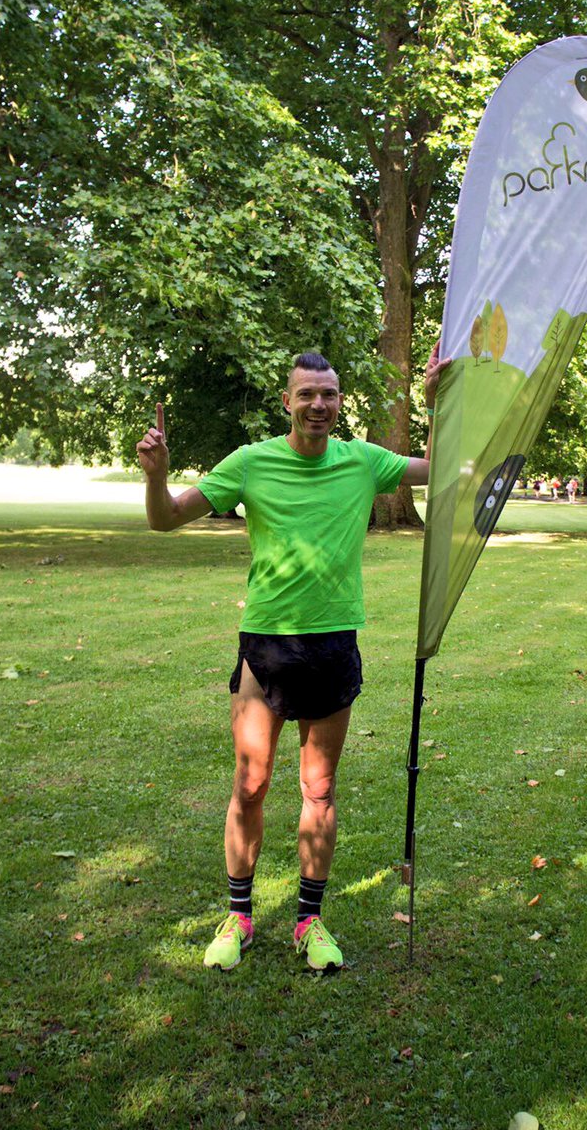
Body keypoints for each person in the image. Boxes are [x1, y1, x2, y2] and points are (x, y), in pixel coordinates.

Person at [136, 344, 451, 973]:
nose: (318, 404)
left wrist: (438, 404)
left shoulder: (362, 461)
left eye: (328, 394)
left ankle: (309, 920)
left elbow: (441, 470)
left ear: (339, 402)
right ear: (288, 401)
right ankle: (239, 915)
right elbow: (165, 519)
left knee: (320, 789)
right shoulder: (251, 464)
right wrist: (156, 474)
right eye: (306, 393)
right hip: (267, 648)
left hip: (334, 643)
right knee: (250, 784)